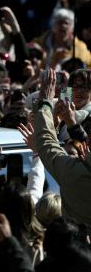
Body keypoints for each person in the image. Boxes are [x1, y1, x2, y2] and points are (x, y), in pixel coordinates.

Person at [33, 68, 91, 225]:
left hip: (71, 179)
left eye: (84, 87)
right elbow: (50, 141)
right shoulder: (63, 110)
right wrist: (56, 122)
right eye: (75, 86)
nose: (78, 91)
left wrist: (72, 123)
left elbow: (85, 149)